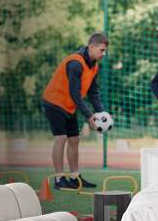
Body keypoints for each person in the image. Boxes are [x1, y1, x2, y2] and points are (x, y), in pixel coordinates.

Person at [42, 33, 109, 189]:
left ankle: (75, 177)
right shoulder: (75, 63)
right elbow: (75, 93)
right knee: (61, 138)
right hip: (54, 102)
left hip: (69, 105)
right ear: (91, 47)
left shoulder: (94, 66)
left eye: (105, 51)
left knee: (74, 140)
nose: (103, 54)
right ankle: (59, 179)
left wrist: (102, 114)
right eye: (102, 50)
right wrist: (89, 116)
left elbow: (93, 93)